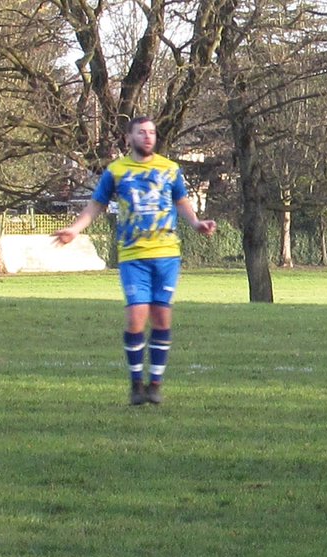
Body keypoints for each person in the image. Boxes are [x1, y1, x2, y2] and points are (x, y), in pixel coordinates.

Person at [52, 116, 216, 406]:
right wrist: (74, 230)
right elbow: (96, 205)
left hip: (166, 254)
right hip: (132, 255)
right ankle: (136, 383)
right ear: (129, 138)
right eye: (141, 132)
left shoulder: (169, 169)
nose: (148, 136)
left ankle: (155, 384)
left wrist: (196, 223)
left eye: (152, 132)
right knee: (136, 317)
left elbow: (181, 201)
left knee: (162, 316)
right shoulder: (116, 172)